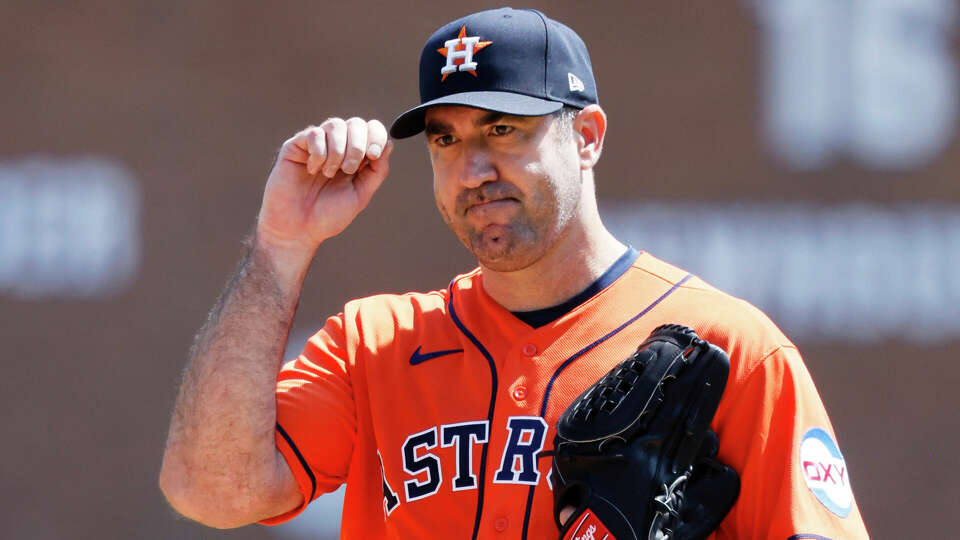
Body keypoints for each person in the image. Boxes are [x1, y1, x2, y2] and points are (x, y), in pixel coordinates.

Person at [159, 7, 869, 539]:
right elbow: (210, 491)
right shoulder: (371, 346)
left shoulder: (727, 349)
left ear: (585, 136)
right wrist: (280, 244)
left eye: (504, 130)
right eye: (447, 139)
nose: (472, 169)